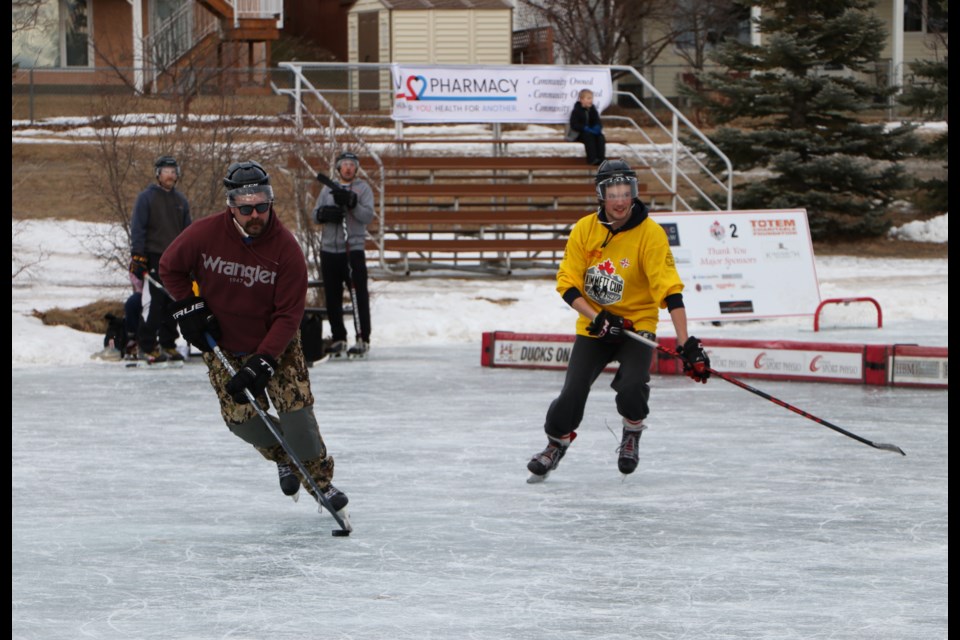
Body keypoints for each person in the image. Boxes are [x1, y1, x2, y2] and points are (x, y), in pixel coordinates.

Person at [159, 160, 349, 513]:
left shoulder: (286, 250)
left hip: (276, 342)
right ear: (231, 205)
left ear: (270, 201)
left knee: (298, 421)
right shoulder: (205, 234)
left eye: (261, 204)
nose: (254, 214)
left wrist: (265, 359)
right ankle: (282, 457)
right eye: (245, 207)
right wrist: (190, 308)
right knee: (243, 421)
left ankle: (321, 484)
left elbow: (289, 315)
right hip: (224, 345)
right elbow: (170, 266)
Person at [526, 159, 711, 482]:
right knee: (572, 393)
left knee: (632, 385)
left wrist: (686, 342)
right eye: (613, 194)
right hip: (594, 326)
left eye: (627, 193)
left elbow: (669, 289)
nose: (621, 201)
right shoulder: (585, 229)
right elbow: (566, 283)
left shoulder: (650, 234)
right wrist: (597, 318)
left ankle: (632, 431)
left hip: (637, 326)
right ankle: (557, 442)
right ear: (601, 195)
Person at [312, 151, 376, 359]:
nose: (348, 168)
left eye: (352, 164)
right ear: (338, 168)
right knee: (332, 296)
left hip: (353, 249)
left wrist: (352, 203)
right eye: (344, 164)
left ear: (356, 169)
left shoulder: (363, 189)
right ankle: (339, 337)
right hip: (329, 249)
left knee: (358, 293)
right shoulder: (327, 189)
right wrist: (324, 214)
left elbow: (367, 216)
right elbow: (315, 214)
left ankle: (362, 337)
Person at [129, 155, 191, 363]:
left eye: (173, 171)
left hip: (175, 260)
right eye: (166, 171)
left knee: (171, 303)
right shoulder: (146, 198)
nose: (170, 175)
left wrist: (190, 258)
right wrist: (138, 256)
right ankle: (146, 345)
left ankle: (168, 343)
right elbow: (138, 228)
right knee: (153, 303)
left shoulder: (181, 201)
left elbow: (188, 233)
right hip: (153, 257)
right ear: (158, 174)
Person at [569, 89, 606, 165]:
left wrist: (597, 127)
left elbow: (597, 120)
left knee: (600, 137)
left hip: (591, 132)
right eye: (588, 98)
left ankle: (601, 158)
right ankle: (592, 159)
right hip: (579, 134)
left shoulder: (593, 109)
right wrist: (584, 128)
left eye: (591, 98)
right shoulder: (577, 110)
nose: (591, 101)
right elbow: (574, 125)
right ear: (582, 99)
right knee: (589, 137)